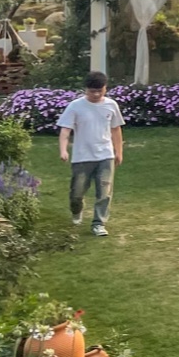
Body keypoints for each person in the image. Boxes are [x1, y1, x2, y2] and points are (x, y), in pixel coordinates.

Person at [56, 70, 124, 236]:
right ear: (86, 89)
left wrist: (119, 151)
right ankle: (76, 210)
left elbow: (116, 129)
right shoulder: (75, 106)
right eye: (92, 91)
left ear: (105, 88)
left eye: (99, 91)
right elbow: (65, 130)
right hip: (82, 156)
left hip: (105, 155)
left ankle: (98, 223)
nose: (96, 94)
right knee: (77, 193)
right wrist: (63, 150)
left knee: (104, 192)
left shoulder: (111, 105)